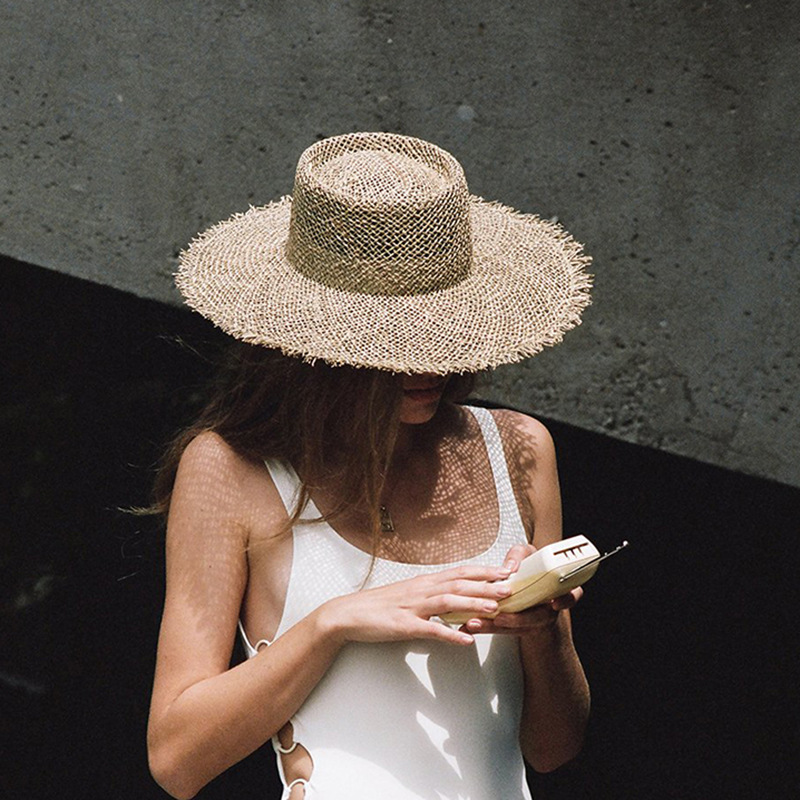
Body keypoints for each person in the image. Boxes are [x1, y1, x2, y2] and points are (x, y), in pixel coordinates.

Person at [147, 131, 593, 800]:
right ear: (312, 338)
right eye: (390, 332)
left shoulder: (519, 449)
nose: (427, 361)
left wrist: (544, 627)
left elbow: (553, 750)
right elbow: (177, 759)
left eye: (442, 326)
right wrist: (333, 624)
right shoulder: (230, 470)